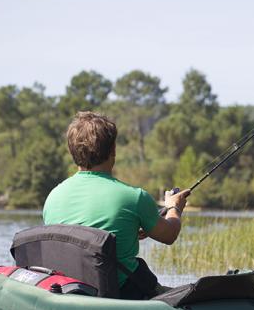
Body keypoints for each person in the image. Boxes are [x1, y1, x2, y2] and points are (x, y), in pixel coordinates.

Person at [42, 111, 190, 299]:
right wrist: (174, 208)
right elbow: (169, 234)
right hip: (118, 294)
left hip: (70, 291)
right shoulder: (135, 197)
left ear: (72, 152)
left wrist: (129, 230)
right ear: (113, 151)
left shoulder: (53, 197)